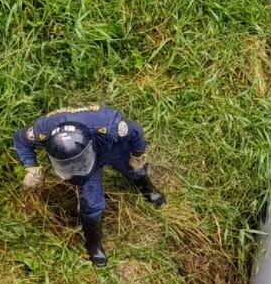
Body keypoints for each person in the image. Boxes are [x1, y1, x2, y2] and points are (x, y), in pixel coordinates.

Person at [13, 104, 164, 267]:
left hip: (111, 148)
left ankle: (148, 191)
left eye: (77, 165)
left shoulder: (111, 124)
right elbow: (20, 138)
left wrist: (137, 155)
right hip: (87, 156)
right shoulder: (41, 130)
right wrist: (31, 167)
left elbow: (136, 132)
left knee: (133, 169)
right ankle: (93, 245)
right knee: (91, 203)